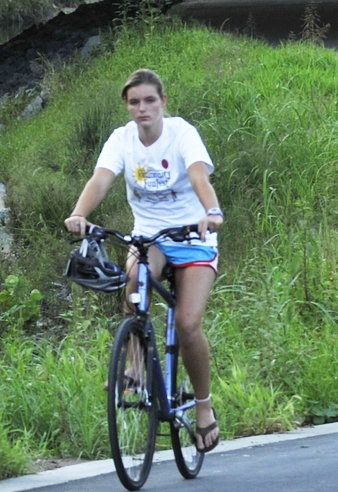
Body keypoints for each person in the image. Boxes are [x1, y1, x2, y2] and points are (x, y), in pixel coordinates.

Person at [64, 69, 225, 453]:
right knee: (134, 286)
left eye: (149, 100)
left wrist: (212, 211)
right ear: (127, 106)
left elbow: (199, 175)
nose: (142, 109)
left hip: (192, 235)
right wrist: (79, 214)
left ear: (163, 102)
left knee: (187, 324)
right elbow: (100, 179)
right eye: (134, 102)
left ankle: (204, 408)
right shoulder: (121, 139)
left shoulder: (181, 133)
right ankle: (135, 369)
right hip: (149, 236)